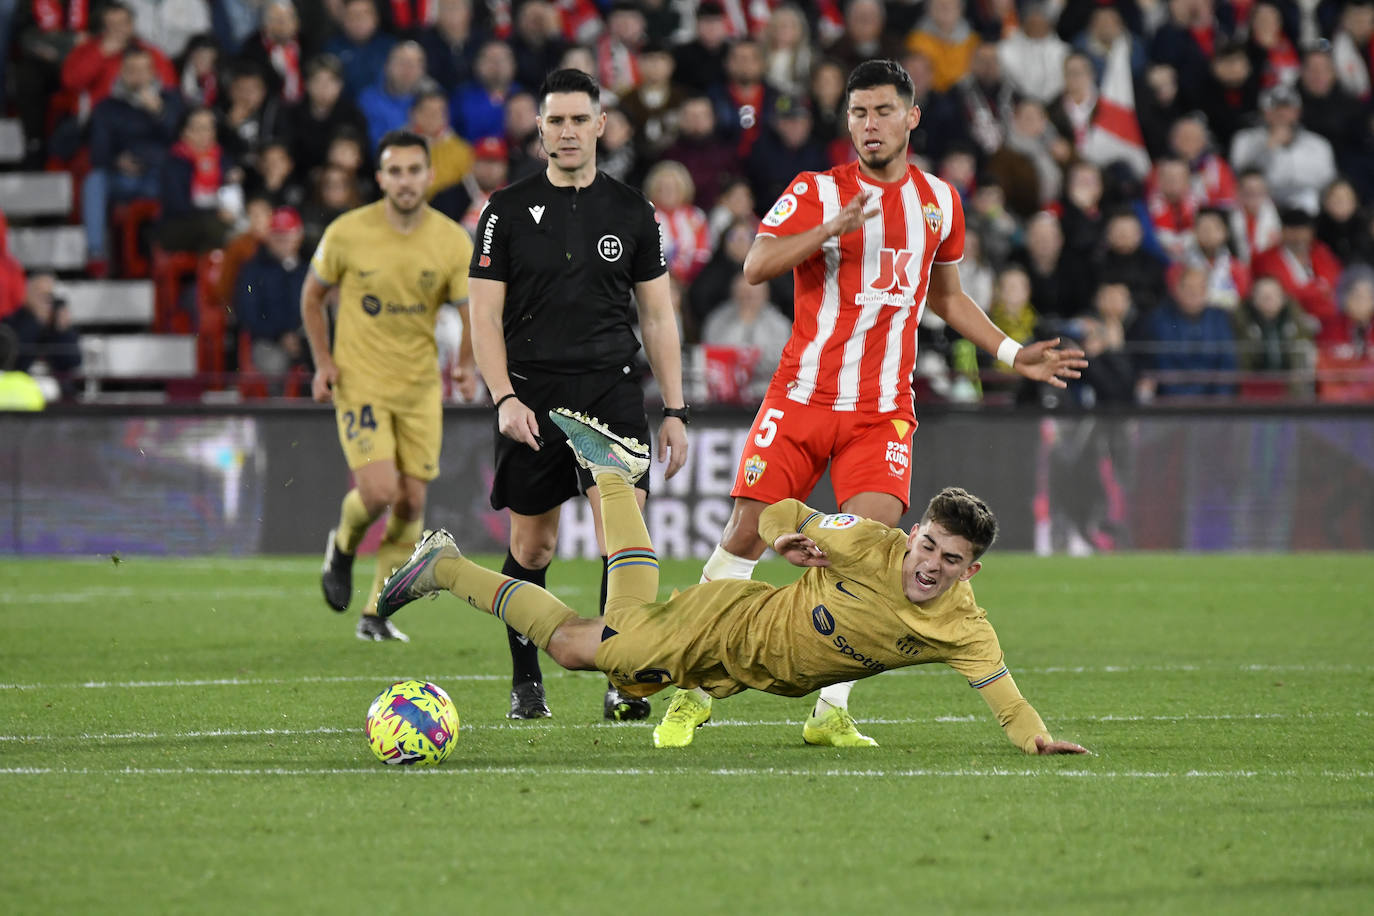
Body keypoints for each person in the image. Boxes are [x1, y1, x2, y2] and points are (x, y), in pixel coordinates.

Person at [652, 59, 1086, 750]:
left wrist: (1011, 353)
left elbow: (945, 298)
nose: (870, 125)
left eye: (883, 111)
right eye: (858, 113)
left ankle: (830, 710)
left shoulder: (939, 201)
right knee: (744, 534)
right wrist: (827, 231)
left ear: (911, 117)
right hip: (802, 398)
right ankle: (693, 691)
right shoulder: (817, 191)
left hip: (881, 410)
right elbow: (757, 266)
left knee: (874, 554)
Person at [377, 410, 1090, 757]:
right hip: (728, 624)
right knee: (577, 649)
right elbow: (786, 508)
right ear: (918, 533)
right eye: (928, 543)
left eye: (948, 559)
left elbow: (1007, 699)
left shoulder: (964, 627)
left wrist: (1036, 741)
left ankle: (614, 475)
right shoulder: (872, 543)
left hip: (739, 664)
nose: (928, 563)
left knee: (628, 632)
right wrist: (782, 535)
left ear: (972, 571)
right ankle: (442, 565)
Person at [467, 68, 689, 722]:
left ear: (601, 126)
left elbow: (657, 317)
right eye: (555, 121)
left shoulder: (631, 209)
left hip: (612, 393)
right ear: (539, 130)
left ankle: (621, 678)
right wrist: (504, 396)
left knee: (621, 540)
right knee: (533, 548)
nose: (567, 131)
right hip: (534, 397)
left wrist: (674, 410)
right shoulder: (504, 210)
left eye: (578, 119)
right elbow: (481, 316)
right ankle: (525, 677)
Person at [302, 129, 476, 642]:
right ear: (380, 178)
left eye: (413, 170)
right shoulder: (347, 232)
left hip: (421, 386)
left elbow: (471, 312)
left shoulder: (450, 239)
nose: (404, 181)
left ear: (429, 175)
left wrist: (465, 365)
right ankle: (343, 544)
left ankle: (376, 614)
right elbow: (312, 298)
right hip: (362, 381)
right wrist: (322, 363)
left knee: (409, 505)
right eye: (394, 171)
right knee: (379, 491)